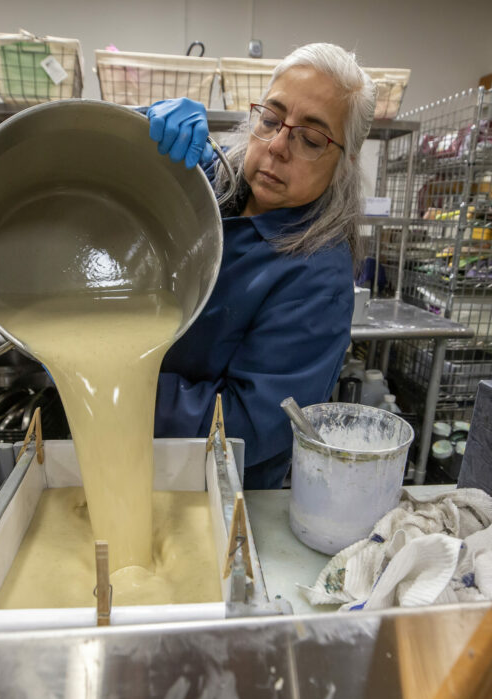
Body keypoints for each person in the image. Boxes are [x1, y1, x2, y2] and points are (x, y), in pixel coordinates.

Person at [147, 42, 376, 490]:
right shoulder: (209, 182)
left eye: (310, 139)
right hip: (130, 453)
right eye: (270, 119)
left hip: (212, 489)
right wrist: (142, 124)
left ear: (345, 164)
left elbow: (247, 423)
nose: (276, 146)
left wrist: (115, 384)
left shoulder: (317, 275)